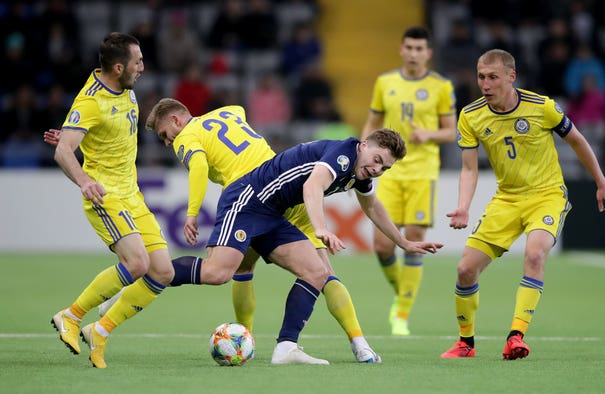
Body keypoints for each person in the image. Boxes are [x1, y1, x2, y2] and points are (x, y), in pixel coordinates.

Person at [145, 104, 443, 363]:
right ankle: (149, 271)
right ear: (364, 145)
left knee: (317, 272)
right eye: (378, 160)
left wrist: (403, 241)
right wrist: (322, 228)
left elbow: (373, 207)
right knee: (217, 273)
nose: (378, 170)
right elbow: (312, 186)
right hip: (249, 199)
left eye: (385, 168)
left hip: (275, 213)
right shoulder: (343, 155)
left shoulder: (359, 173)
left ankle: (286, 347)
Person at [440, 49, 605, 360]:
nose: (485, 83)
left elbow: (577, 140)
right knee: (465, 269)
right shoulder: (470, 115)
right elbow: (469, 169)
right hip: (507, 199)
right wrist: (464, 205)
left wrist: (601, 183)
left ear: (511, 76)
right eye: (481, 76)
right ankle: (465, 343)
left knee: (534, 254)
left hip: (546, 196)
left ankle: (516, 336)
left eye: (493, 77)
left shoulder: (542, 107)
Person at [48, 32, 175, 369]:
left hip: (131, 193)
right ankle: (71, 316)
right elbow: (64, 152)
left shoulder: (126, 91)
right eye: (138, 62)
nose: (143, 67)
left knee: (163, 272)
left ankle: (100, 329)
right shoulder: (90, 101)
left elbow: (98, 135)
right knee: (137, 264)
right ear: (119, 67)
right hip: (105, 195)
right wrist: (85, 179)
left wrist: (76, 136)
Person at [361, 25, 457, 335]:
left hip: (422, 172)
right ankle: (401, 294)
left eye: (420, 49)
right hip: (388, 171)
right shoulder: (384, 82)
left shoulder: (441, 86)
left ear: (428, 53)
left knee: (414, 237)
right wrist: (360, 157)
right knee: (382, 246)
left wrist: (428, 134)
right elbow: (372, 123)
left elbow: (452, 130)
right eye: (409, 48)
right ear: (402, 50)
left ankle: (401, 313)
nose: (414, 54)